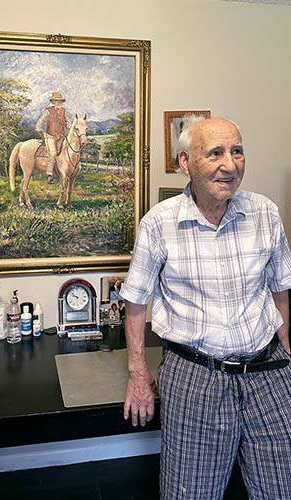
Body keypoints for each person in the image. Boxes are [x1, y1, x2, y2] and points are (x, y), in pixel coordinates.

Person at [119, 116, 291, 500]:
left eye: (237, 152)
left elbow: (280, 284)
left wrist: (286, 342)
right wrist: (137, 374)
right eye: (215, 153)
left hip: (268, 373)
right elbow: (135, 300)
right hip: (196, 376)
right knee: (191, 492)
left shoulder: (266, 213)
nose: (229, 165)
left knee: (281, 487)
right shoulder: (159, 224)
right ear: (185, 162)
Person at [36, 92, 69, 184]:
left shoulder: (64, 111)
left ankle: (67, 171)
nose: (57, 103)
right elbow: (39, 124)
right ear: (53, 102)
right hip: (50, 136)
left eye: (59, 101)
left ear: (61, 102)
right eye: (55, 101)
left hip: (61, 136)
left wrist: (68, 132)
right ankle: (50, 174)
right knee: (53, 152)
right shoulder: (48, 111)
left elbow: (68, 123)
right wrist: (43, 134)